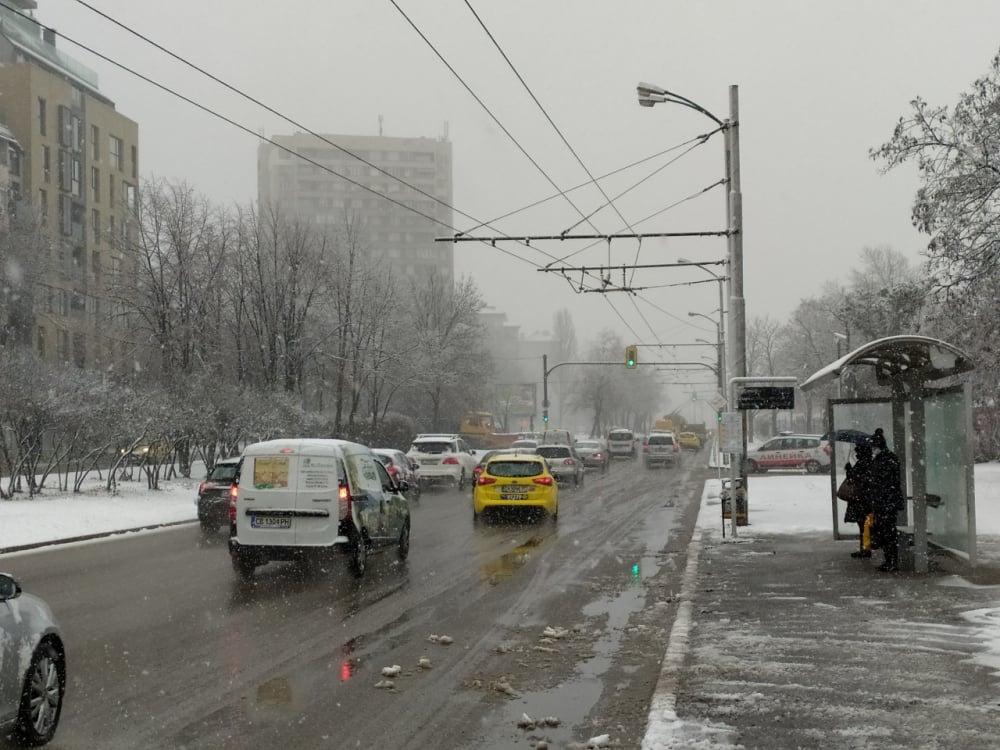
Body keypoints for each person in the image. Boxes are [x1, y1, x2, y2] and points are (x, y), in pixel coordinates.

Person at [870, 427, 905, 572]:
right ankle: (890, 560)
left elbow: (884, 481)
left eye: (873, 447)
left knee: (888, 532)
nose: (872, 450)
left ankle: (891, 561)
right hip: (888, 501)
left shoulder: (884, 460)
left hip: (886, 502)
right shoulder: (889, 458)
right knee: (888, 531)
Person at [842, 440, 875, 558]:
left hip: (861, 499)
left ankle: (865, 549)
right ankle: (865, 548)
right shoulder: (869, 463)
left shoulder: (863, 464)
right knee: (865, 525)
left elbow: (855, 479)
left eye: (858, 451)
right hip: (865, 499)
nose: (856, 453)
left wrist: (849, 471)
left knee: (863, 525)